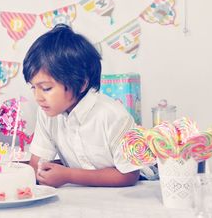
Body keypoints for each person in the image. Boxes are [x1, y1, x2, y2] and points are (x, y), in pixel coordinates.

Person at [22, 24, 142, 187]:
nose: (37, 97)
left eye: (46, 88)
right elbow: (36, 166)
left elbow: (129, 175)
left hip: (128, 194)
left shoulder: (112, 115)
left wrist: (68, 175)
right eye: (33, 87)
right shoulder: (47, 114)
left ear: (81, 84)